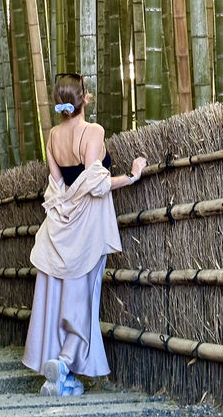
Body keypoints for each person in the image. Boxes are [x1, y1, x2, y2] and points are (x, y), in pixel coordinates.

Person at [22, 72, 147, 397]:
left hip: (57, 228)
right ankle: (64, 364)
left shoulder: (52, 136)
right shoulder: (93, 131)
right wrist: (132, 176)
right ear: (85, 98)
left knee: (57, 299)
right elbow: (95, 183)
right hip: (86, 230)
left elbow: (58, 187)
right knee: (81, 300)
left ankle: (59, 370)